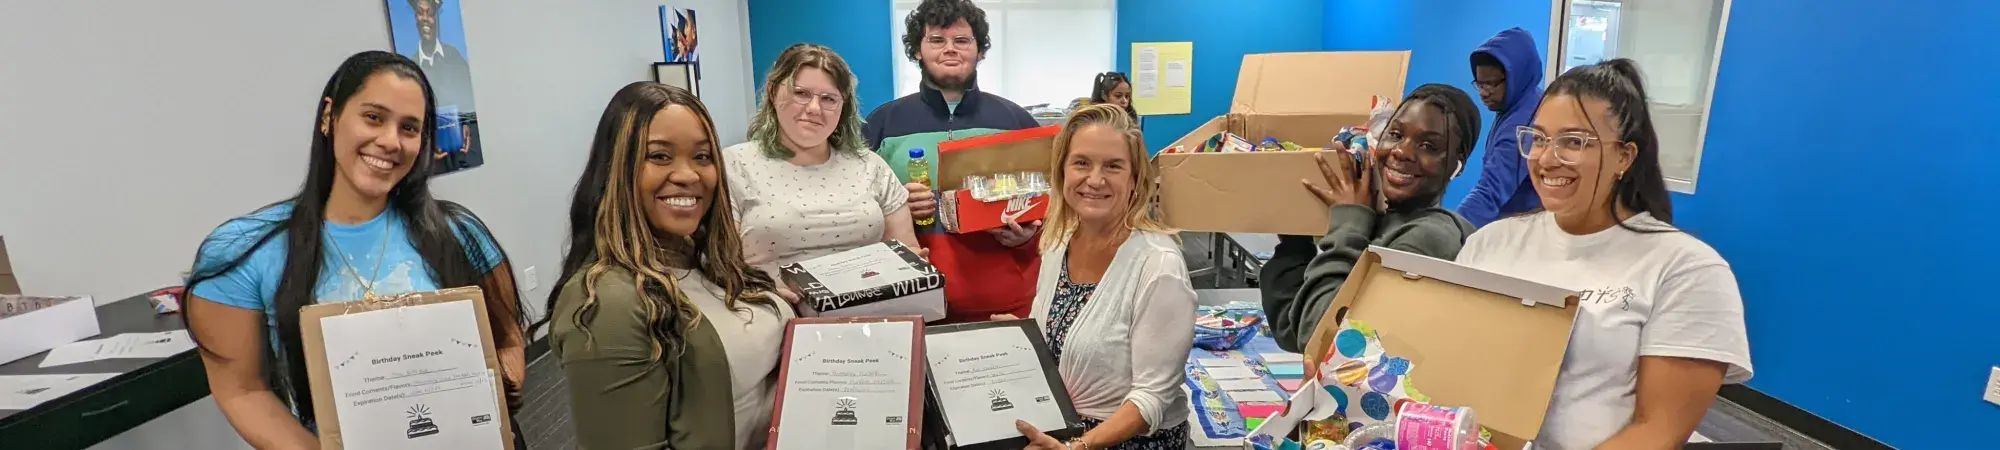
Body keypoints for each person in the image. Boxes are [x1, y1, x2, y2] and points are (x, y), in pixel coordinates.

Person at [181, 50, 526, 449]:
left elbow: (508, 340)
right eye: (374, 117)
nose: (390, 141)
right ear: (330, 116)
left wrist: (494, 397)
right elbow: (241, 390)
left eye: (410, 128)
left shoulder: (459, 233)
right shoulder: (245, 250)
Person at [1457, 59, 1750, 449]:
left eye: (1573, 142)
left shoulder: (1686, 270)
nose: (1546, 159)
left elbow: (1657, 432)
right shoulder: (1488, 243)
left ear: (1625, 157)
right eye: (1540, 138)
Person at [544, 82, 794, 450]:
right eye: (659, 156)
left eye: (703, 157)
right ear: (616, 168)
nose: (688, 175)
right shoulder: (608, 304)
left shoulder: (704, 260)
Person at [1015, 104, 1195, 450]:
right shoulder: (1058, 241)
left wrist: (1078, 447)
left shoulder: (1158, 265)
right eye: (1081, 163)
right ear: (1062, 170)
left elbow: (1152, 398)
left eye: (1113, 166)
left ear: (1134, 179)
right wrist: (1023, 335)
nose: (1094, 180)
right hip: (1061, 431)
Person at [1259, 84, 1483, 352]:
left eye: (1428, 145)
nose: (1401, 151)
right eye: (1396, 134)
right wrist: (1294, 239)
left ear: (1457, 164)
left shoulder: (1427, 238)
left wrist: (1349, 225)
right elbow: (1292, 329)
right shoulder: (1386, 221)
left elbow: (1323, 340)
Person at [865, 0, 1045, 323]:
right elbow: (853, 213)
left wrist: (1029, 235)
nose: (950, 49)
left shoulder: (1017, 121)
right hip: (909, 303)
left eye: (962, 40)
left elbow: (1053, 208)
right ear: (917, 50)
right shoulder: (882, 125)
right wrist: (894, 211)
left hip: (1005, 305)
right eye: (937, 40)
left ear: (980, 50)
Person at [726, 43, 917, 283]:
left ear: (843, 106)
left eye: (829, 99)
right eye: (801, 94)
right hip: (772, 310)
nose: (814, 109)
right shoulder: (735, 164)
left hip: (870, 310)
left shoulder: (871, 166)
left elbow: (907, 252)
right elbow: (721, 263)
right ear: (774, 93)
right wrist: (765, 292)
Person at [1457, 27, 1546, 227]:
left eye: (1491, 84)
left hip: (1522, 232)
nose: (1483, 93)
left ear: (1516, 76)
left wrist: (1451, 230)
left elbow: (1490, 192)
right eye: (1479, 84)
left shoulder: (1524, 124)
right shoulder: (1519, 103)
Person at [403, 0, 482, 173]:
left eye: (429, 13)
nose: (424, 18)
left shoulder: (455, 58)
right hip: (433, 164)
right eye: (420, 13)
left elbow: (470, 107)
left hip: (466, 156)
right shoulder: (410, 68)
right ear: (415, 18)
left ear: (436, 17)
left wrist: (467, 124)